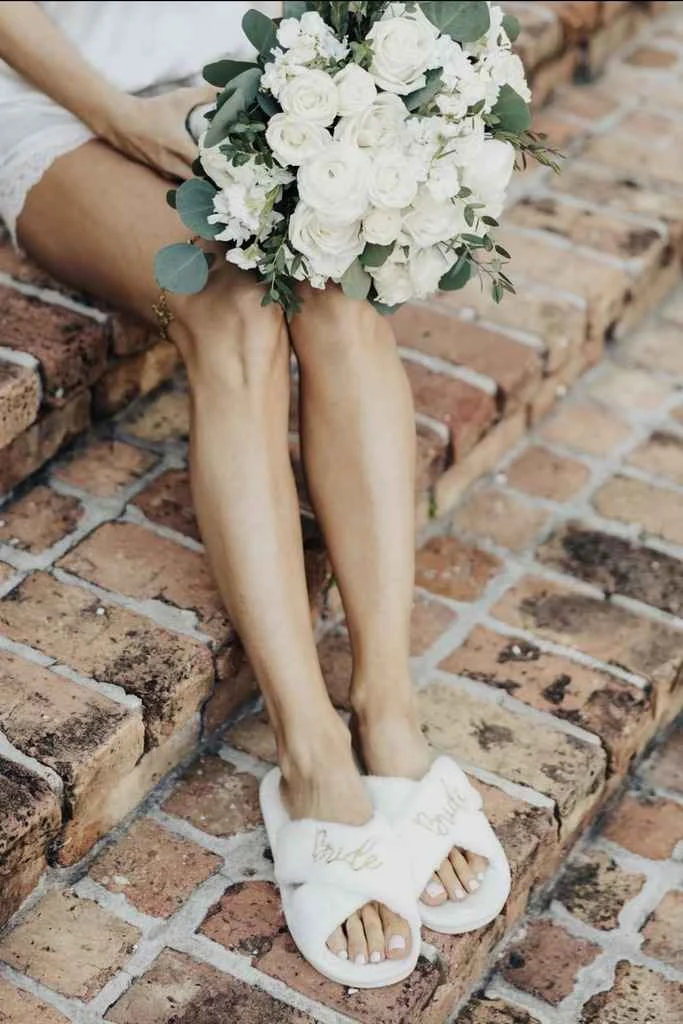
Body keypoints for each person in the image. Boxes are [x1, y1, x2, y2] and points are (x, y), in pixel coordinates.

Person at [0, 0, 502, 984]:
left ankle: (387, 710)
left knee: (336, 281)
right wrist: (119, 114)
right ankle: (309, 749)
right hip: (51, 94)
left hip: (244, 78)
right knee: (231, 306)